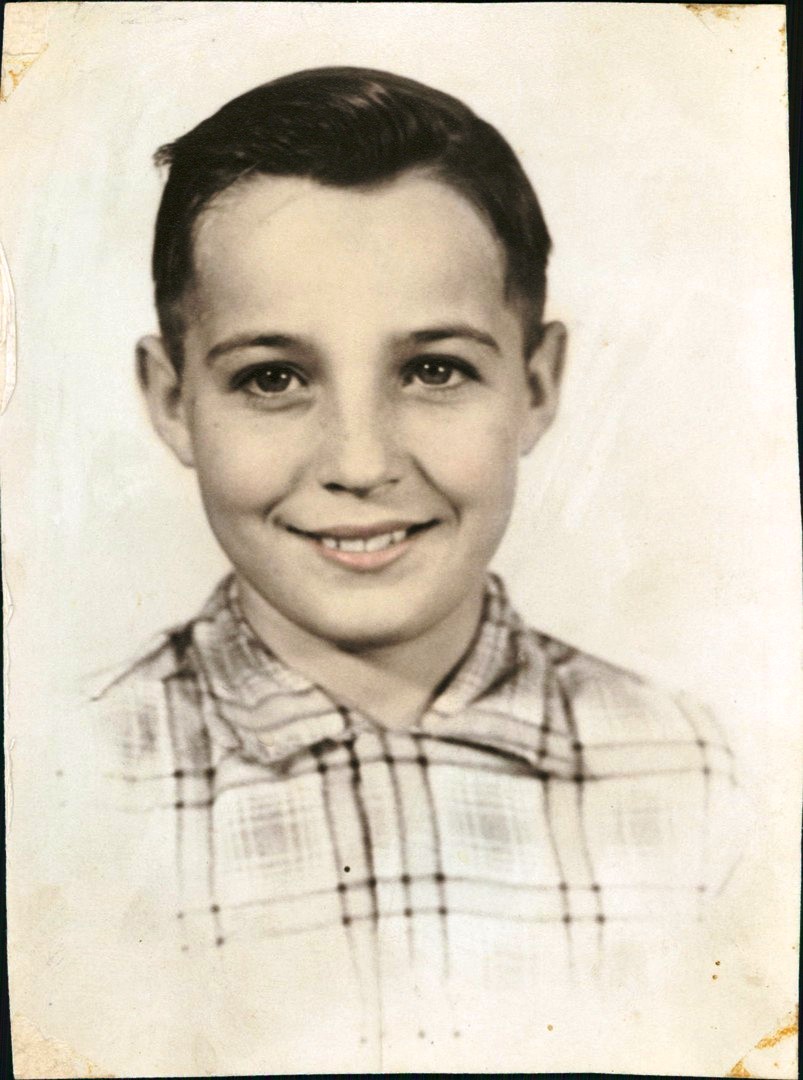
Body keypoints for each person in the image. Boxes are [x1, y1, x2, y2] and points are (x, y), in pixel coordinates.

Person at [84, 66, 745, 1069]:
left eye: (434, 369)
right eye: (272, 377)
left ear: (534, 385)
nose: (360, 464)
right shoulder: (71, 783)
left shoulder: (692, 771)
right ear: (173, 402)